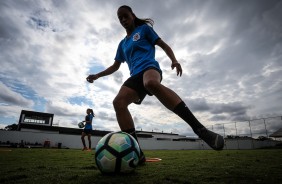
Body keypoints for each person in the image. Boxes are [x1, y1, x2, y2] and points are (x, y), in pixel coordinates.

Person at [86, 5, 224, 162]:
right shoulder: (122, 44)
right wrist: (97, 75)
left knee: (150, 83)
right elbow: (115, 66)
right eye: (120, 18)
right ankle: (137, 153)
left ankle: (200, 129)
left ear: (132, 15)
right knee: (118, 102)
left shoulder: (144, 30)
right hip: (135, 75)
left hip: (150, 68)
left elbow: (163, 45)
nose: (123, 19)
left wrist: (174, 60)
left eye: (125, 15)